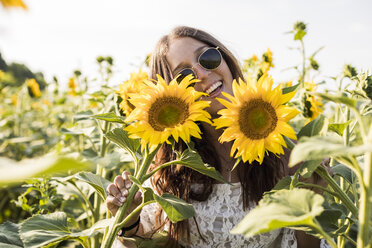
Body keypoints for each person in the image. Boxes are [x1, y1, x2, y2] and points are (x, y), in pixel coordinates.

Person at [106, 26, 330, 248]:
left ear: (224, 57)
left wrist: (312, 192)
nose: (202, 74)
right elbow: (149, 239)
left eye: (208, 57)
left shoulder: (285, 151)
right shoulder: (168, 168)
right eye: (184, 75)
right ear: (169, 95)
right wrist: (126, 220)